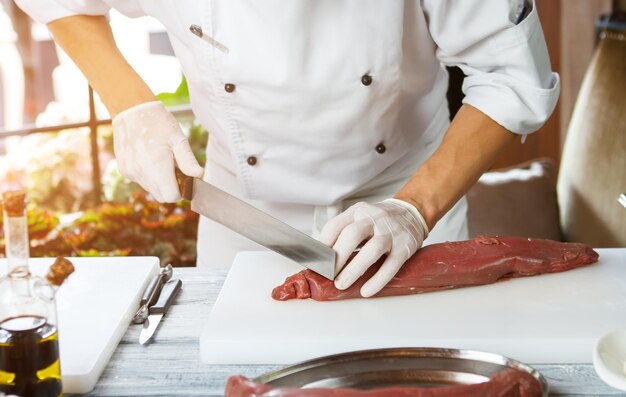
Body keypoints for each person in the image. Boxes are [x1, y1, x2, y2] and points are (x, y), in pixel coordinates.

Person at [16, 1, 559, 297]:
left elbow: (511, 77)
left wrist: (413, 209)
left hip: (407, 186)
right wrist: (129, 102)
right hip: (243, 209)